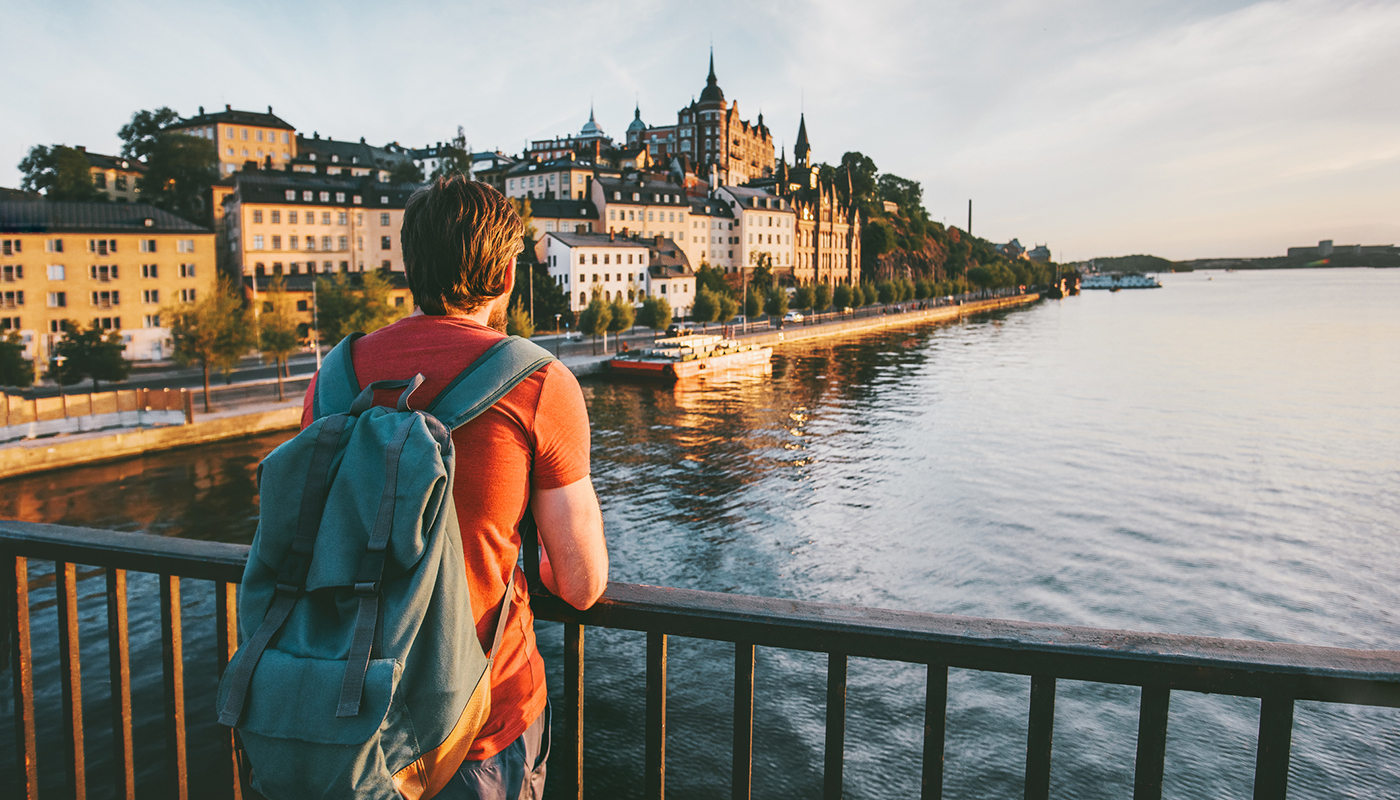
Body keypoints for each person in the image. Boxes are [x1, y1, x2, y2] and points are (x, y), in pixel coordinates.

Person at [300, 176, 608, 800]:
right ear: (506, 276)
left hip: (346, 712)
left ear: (412, 265)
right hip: (479, 727)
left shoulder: (332, 380)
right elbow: (581, 585)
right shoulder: (539, 384)